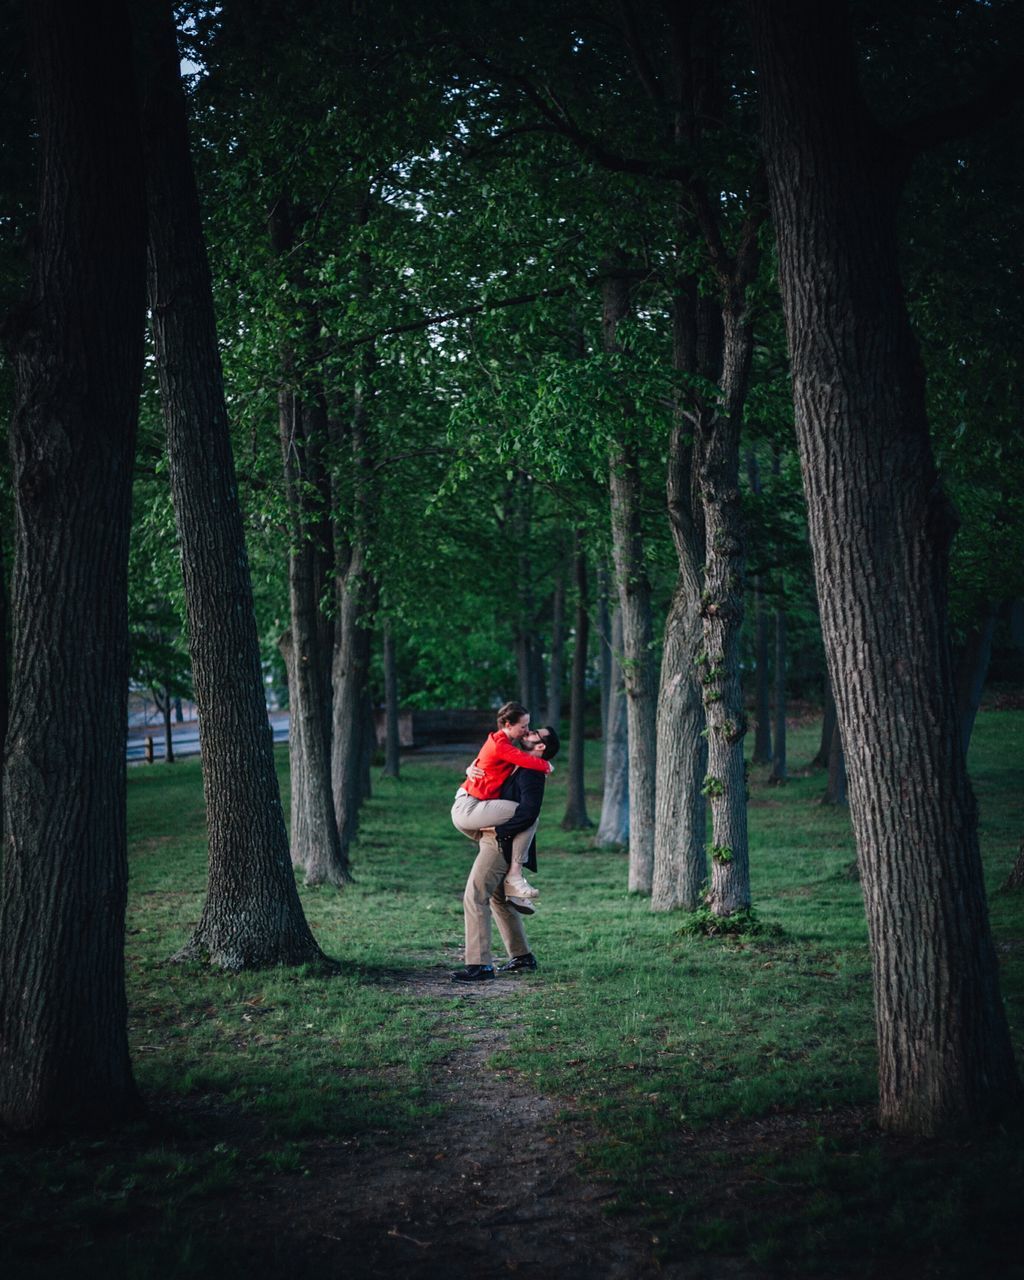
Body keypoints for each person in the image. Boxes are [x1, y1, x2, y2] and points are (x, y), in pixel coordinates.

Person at [450, 726, 559, 983]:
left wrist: (501, 831)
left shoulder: (533, 771)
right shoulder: (519, 762)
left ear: (540, 746)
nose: (528, 732)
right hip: (498, 839)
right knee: (499, 899)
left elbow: (529, 812)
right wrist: (470, 769)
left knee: (475, 895)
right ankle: (522, 956)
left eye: (534, 733)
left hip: (500, 842)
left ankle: (479, 965)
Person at [449, 701, 552, 850]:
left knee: (499, 847)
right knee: (527, 815)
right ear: (509, 725)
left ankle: (512, 865)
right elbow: (524, 759)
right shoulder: (501, 745)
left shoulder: (502, 742)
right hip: (469, 806)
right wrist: (546, 766)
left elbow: (486, 760)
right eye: (523, 726)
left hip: (471, 803)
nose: (527, 730)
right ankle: (516, 867)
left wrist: (470, 768)